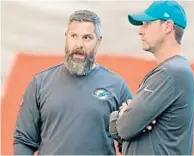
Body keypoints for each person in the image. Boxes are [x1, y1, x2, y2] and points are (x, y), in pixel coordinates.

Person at [13, 10, 134, 155]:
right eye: (74, 36)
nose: (79, 44)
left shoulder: (117, 86)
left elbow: (131, 139)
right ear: (66, 37)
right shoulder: (40, 83)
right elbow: (24, 140)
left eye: (87, 38)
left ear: (99, 41)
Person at [109, 0, 194, 155]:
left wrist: (121, 116)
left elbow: (124, 127)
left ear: (168, 26)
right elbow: (123, 129)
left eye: (147, 24)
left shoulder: (170, 73)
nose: (140, 31)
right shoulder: (172, 70)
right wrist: (126, 118)